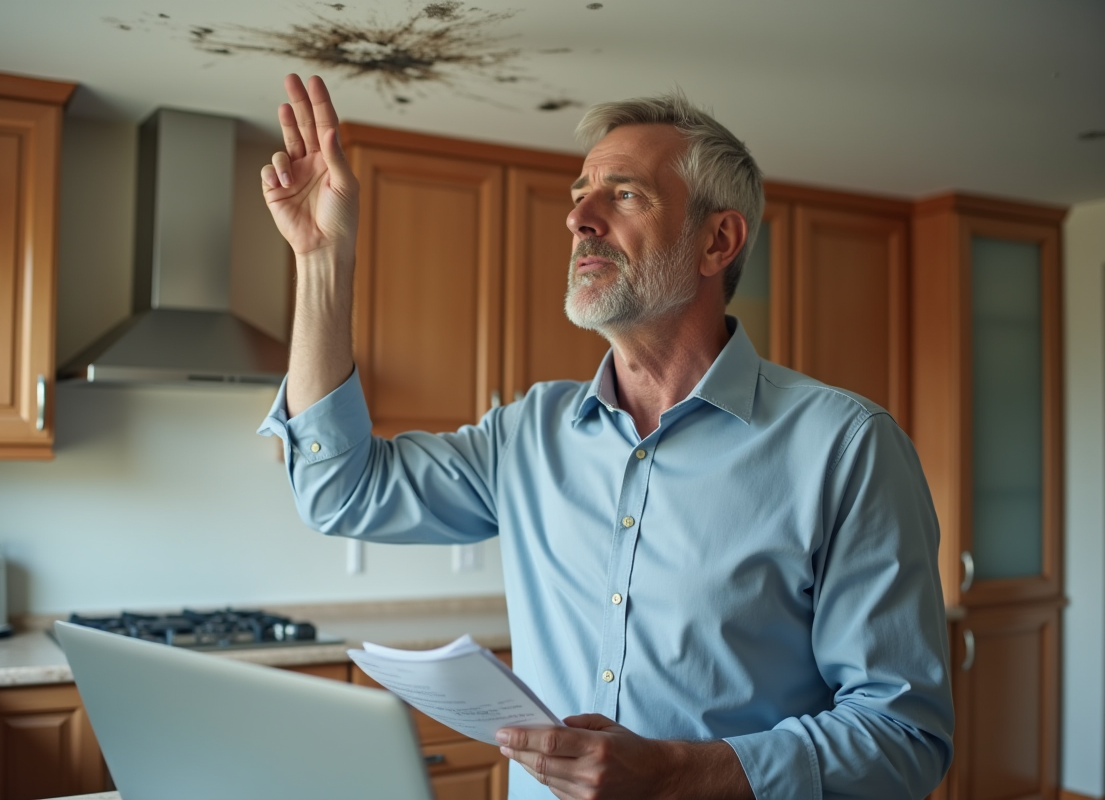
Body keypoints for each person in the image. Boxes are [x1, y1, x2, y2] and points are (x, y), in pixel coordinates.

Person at [257, 73, 953, 800]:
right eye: (577, 194)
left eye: (623, 194)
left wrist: (679, 774)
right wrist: (320, 260)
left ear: (718, 240)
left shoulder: (846, 448)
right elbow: (339, 492)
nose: (579, 218)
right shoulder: (527, 434)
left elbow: (904, 736)